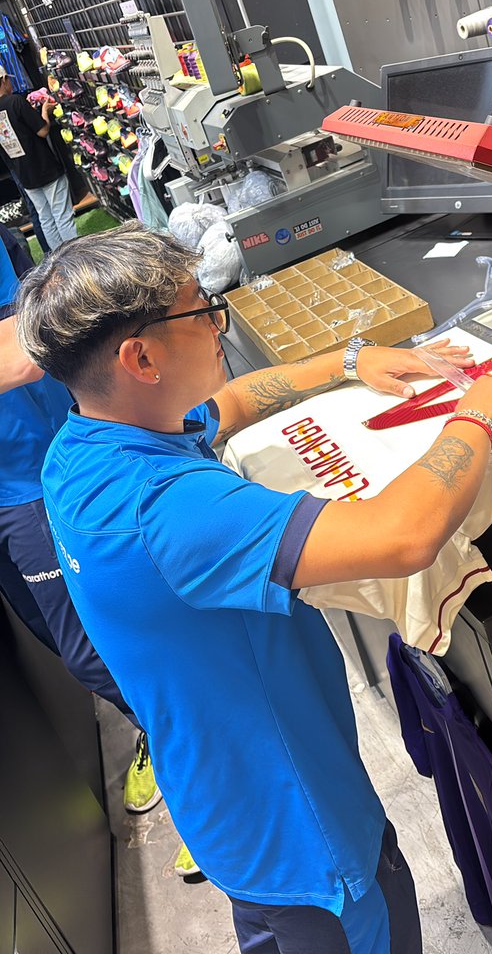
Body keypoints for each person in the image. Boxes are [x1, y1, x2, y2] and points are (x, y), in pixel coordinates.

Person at [15, 221, 492, 954]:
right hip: (299, 833)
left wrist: (355, 358)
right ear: (140, 356)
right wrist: (479, 413)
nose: (218, 320)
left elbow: (236, 402)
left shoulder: (88, 445)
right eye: (202, 311)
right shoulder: (166, 509)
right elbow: (401, 536)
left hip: (234, 803)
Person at [0, 223, 199, 877]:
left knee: (99, 647)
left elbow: (33, 342)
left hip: (39, 465)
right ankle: (175, 740)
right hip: (14, 486)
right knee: (69, 647)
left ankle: (203, 770)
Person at [0, 67, 77, 250]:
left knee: (46, 219)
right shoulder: (15, 101)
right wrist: (44, 110)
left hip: (23, 173)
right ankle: (78, 260)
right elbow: (42, 130)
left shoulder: (13, 103)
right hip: (44, 167)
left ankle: (58, 265)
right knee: (62, 216)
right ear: (3, 79)